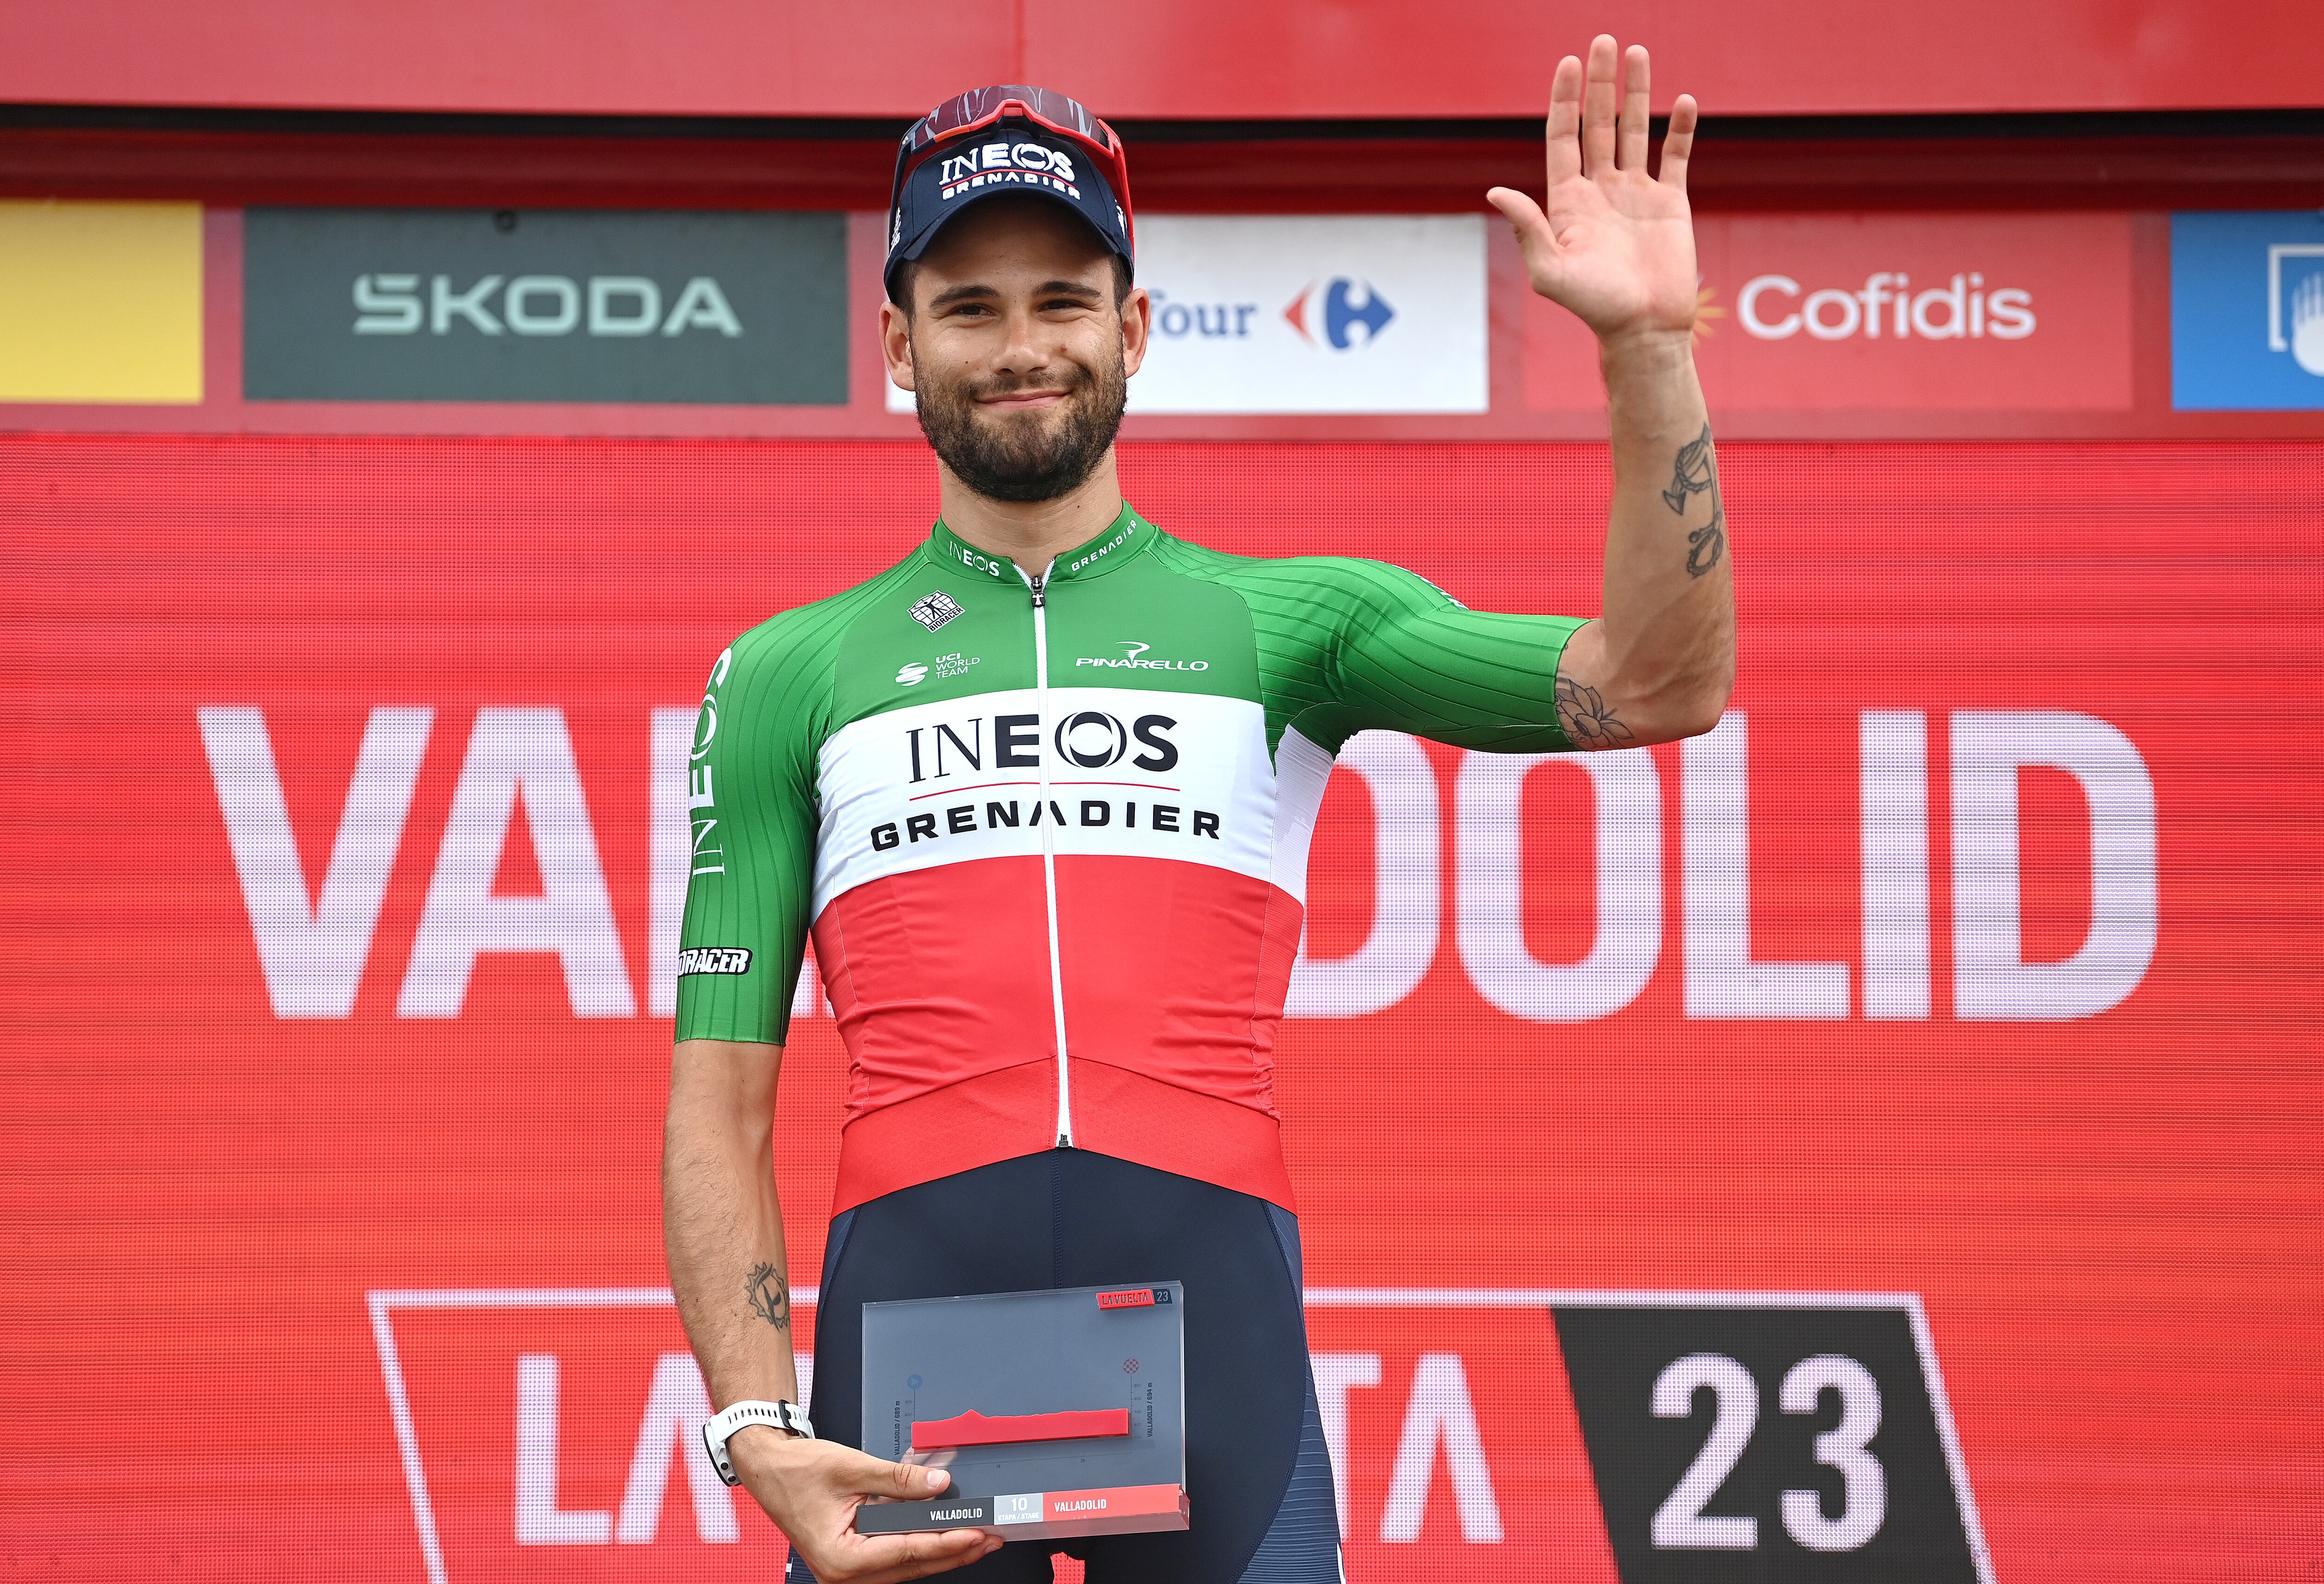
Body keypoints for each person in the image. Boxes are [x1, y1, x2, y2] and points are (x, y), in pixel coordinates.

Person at [664, 38, 1732, 1584]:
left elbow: (1656, 684)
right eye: (967, 307)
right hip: (904, 1384)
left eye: (1062, 302)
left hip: (1219, 1346)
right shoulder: (786, 675)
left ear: (1137, 329)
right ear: (898, 343)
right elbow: (718, 1102)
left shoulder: (1297, 623)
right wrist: (752, 1424)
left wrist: (1647, 347)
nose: (1019, 346)